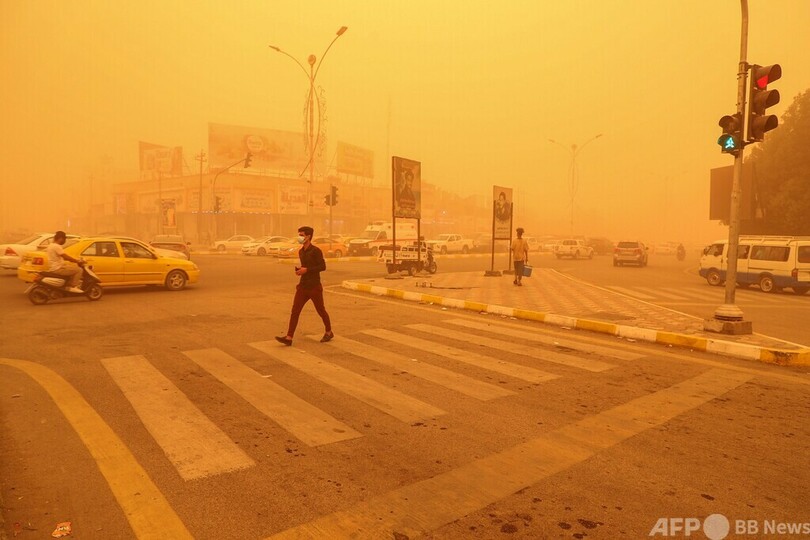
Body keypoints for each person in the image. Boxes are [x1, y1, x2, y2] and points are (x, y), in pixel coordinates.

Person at [275, 226, 333, 346]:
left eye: (301, 235)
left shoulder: (316, 251)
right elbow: (305, 267)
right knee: (295, 311)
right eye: (299, 235)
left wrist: (306, 270)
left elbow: (322, 267)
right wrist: (300, 271)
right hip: (303, 286)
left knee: (321, 310)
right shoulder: (301, 251)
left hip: (314, 286)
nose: (299, 237)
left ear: (308, 236)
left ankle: (329, 332)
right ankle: (289, 337)